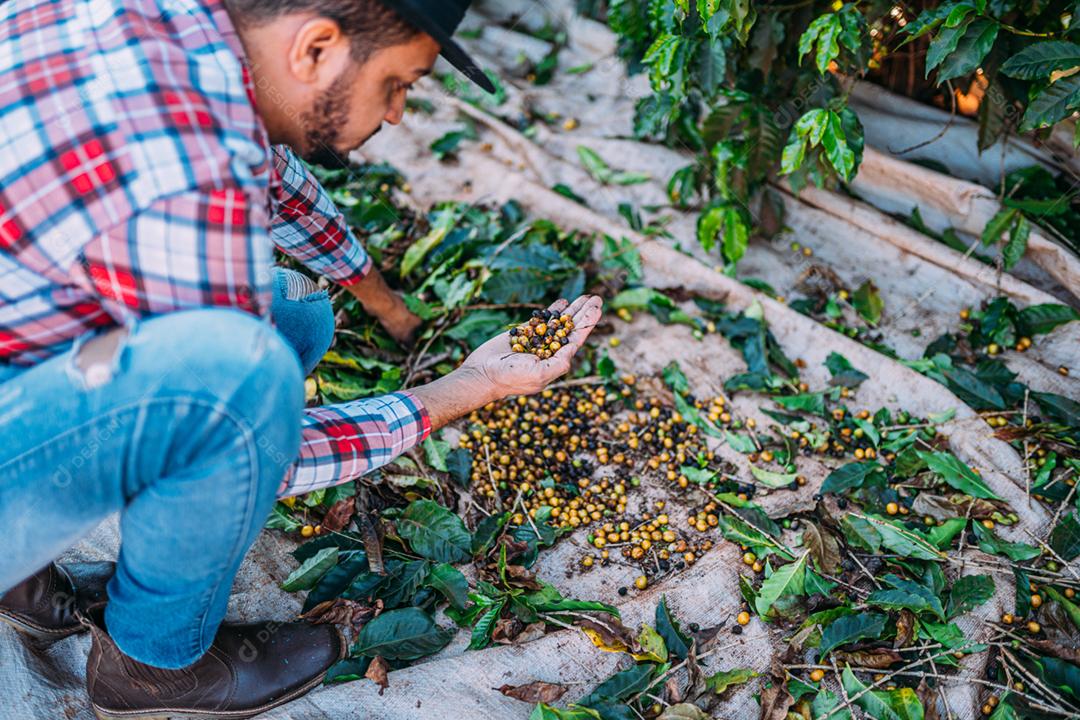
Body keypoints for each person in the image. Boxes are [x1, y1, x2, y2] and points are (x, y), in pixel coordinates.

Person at [0, 0, 603, 717]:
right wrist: (467, 386)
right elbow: (258, 450)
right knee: (246, 375)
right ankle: (148, 665)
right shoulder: (186, 174)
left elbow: (284, 189)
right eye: (398, 84)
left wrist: (389, 307)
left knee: (294, 310)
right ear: (316, 47)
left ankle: (22, 580)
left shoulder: (179, 36)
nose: (401, 113)